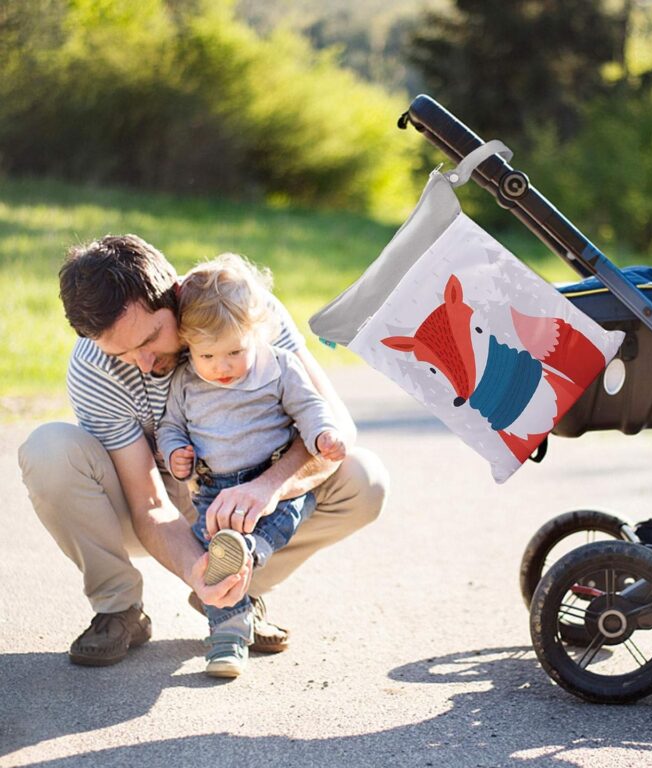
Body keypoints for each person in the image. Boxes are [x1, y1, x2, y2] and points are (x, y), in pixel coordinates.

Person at [18, 234, 388, 667]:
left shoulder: (237, 308)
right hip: (149, 500)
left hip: (249, 497)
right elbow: (149, 503)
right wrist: (196, 568)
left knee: (364, 479)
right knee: (48, 449)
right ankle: (120, 609)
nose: (143, 362)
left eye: (150, 338)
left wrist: (268, 488)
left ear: (174, 296)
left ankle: (238, 593)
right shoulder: (93, 369)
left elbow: (337, 426)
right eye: (122, 352)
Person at [157, 254, 347, 677]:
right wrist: (176, 454)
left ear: (256, 332)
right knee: (212, 559)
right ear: (188, 344)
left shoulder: (280, 367)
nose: (221, 366)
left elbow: (310, 409)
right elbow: (171, 426)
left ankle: (249, 551)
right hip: (214, 491)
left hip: (273, 477)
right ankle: (226, 643)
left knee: (278, 519)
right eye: (207, 355)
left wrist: (323, 436)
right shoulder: (186, 380)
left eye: (234, 351)